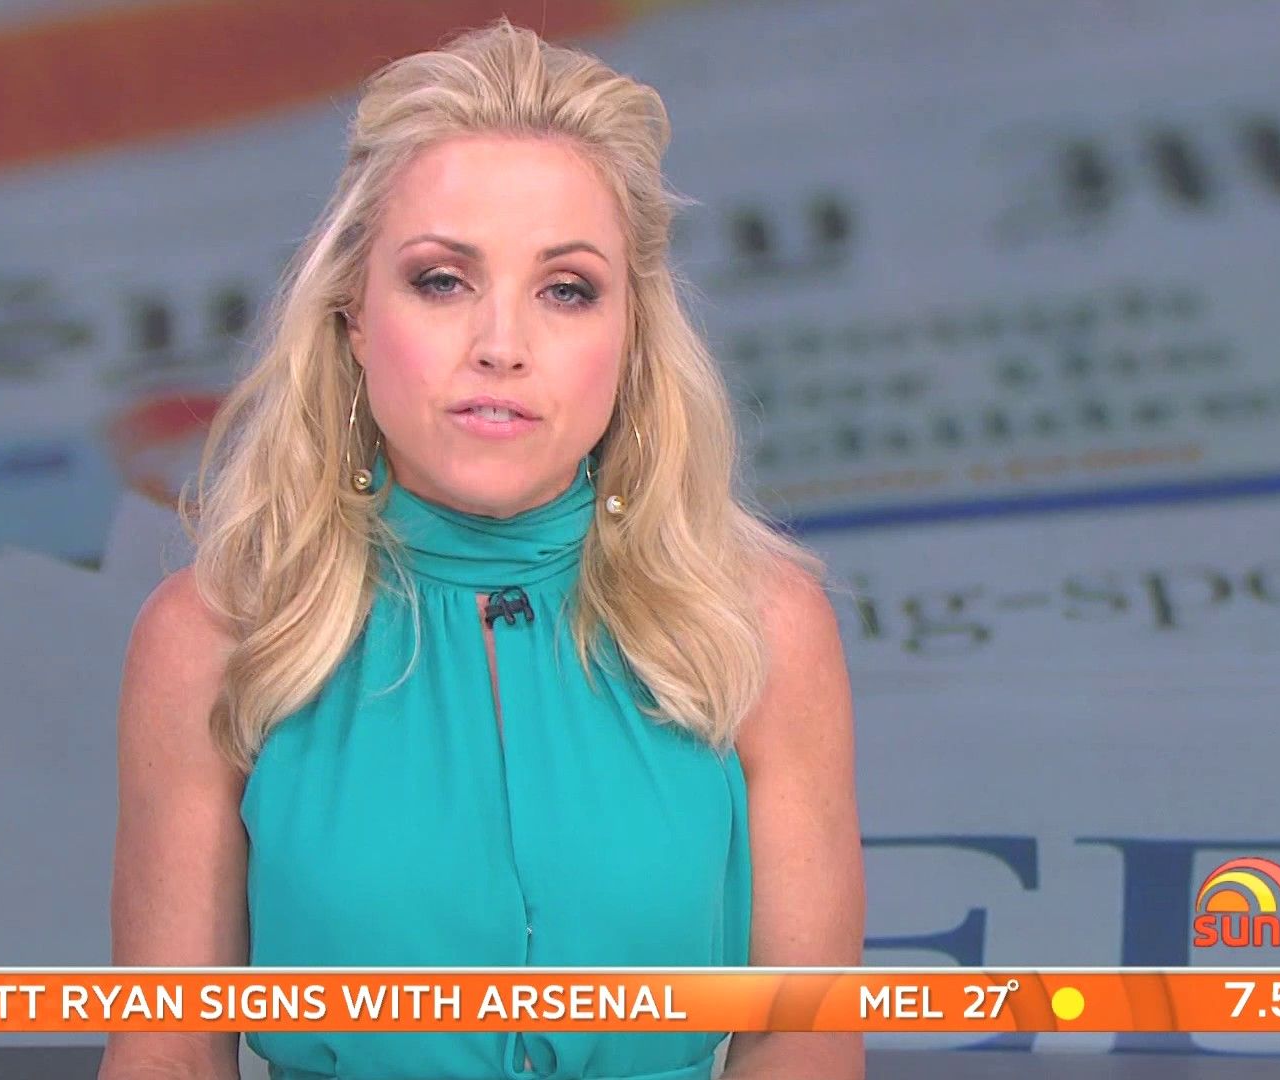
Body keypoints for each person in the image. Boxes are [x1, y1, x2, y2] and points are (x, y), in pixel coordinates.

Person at [99, 17, 862, 1080]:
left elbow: (805, 1040)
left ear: (631, 333)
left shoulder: (765, 629)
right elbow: (168, 1048)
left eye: (566, 290)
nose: (501, 346)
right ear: (353, 316)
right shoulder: (210, 641)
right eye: (442, 280)